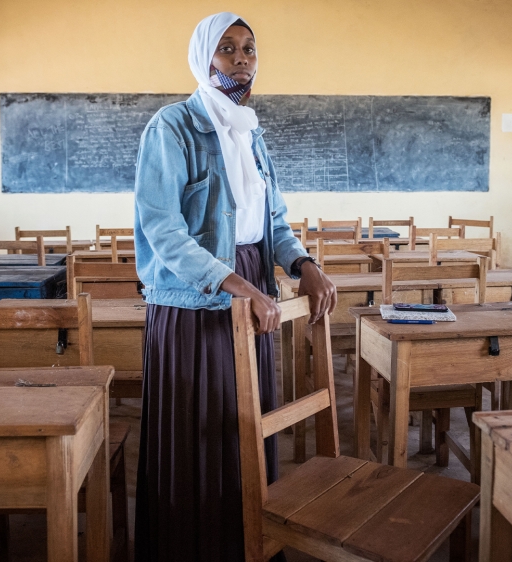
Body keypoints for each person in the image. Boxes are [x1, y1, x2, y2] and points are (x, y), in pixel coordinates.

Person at [132, 12, 337, 562]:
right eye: (227, 49)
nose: (241, 59)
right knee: (198, 425)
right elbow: (162, 228)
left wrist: (302, 264)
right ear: (205, 57)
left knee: (244, 424)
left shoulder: (250, 132)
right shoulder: (171, 126)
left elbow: (272, 223)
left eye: (249, 49)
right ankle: (191, 548)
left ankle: (249, 540)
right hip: (194, 296)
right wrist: (233, 283)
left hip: (251, 294)